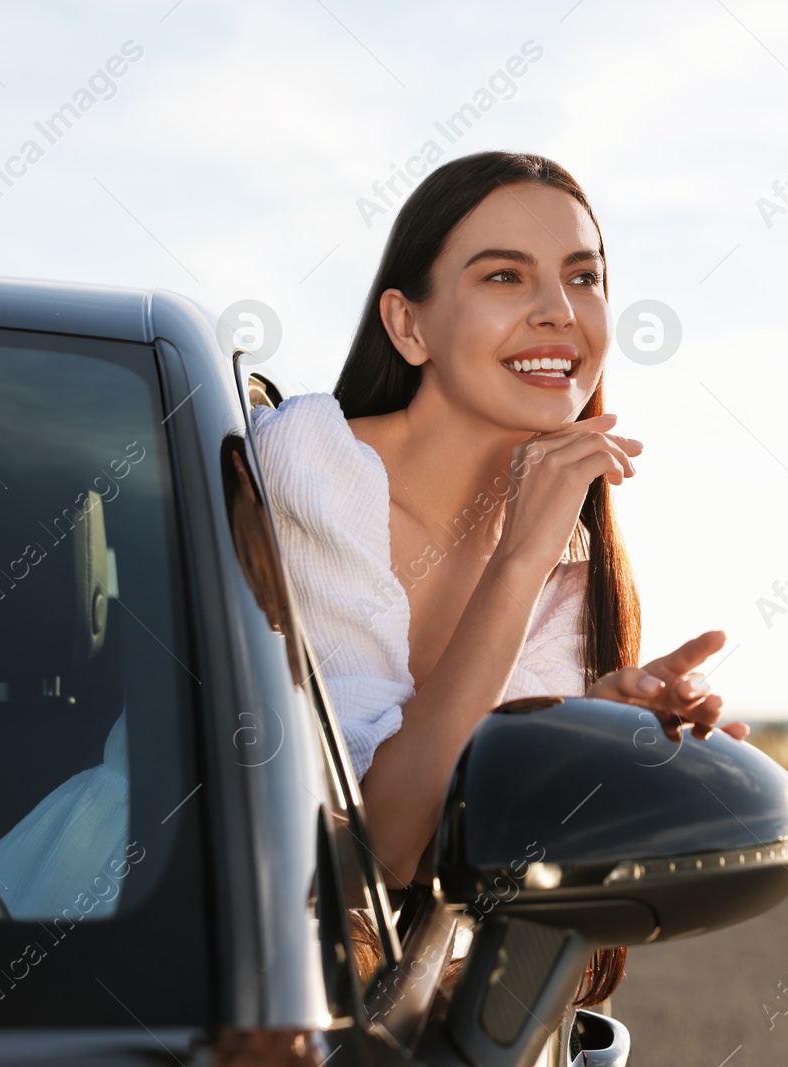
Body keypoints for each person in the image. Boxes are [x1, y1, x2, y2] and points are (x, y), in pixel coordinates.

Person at [248, 150, 748, 1007]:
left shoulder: (572, 560)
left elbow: (475, 868)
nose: (559, 312)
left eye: (583, 277)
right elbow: (388, 844)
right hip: (174, 942)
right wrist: (516, 559)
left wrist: (584, 737)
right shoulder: (311, 464)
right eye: (506, 276)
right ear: (408, 327)